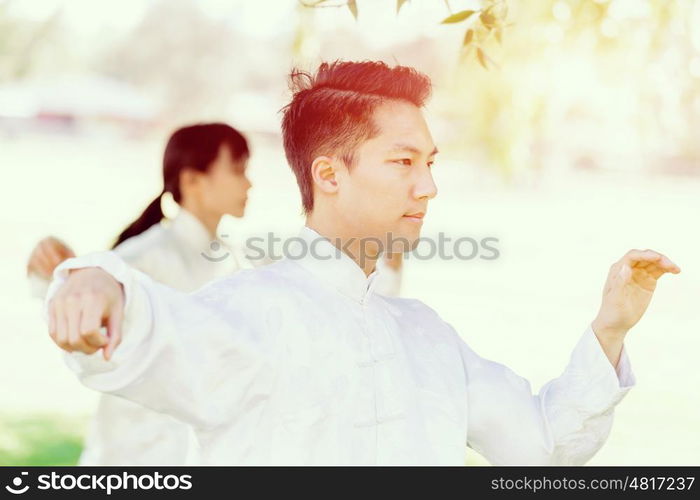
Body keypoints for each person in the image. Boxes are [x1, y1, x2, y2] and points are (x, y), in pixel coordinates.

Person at [44, 61, 679, 465]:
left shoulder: (427, 334)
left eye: (431, 163)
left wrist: (611, 328)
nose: (428, 187)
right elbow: (150, 336)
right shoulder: (250, 311)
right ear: (329, 174)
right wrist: (94, 279)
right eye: (404, 162)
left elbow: (543, 444)